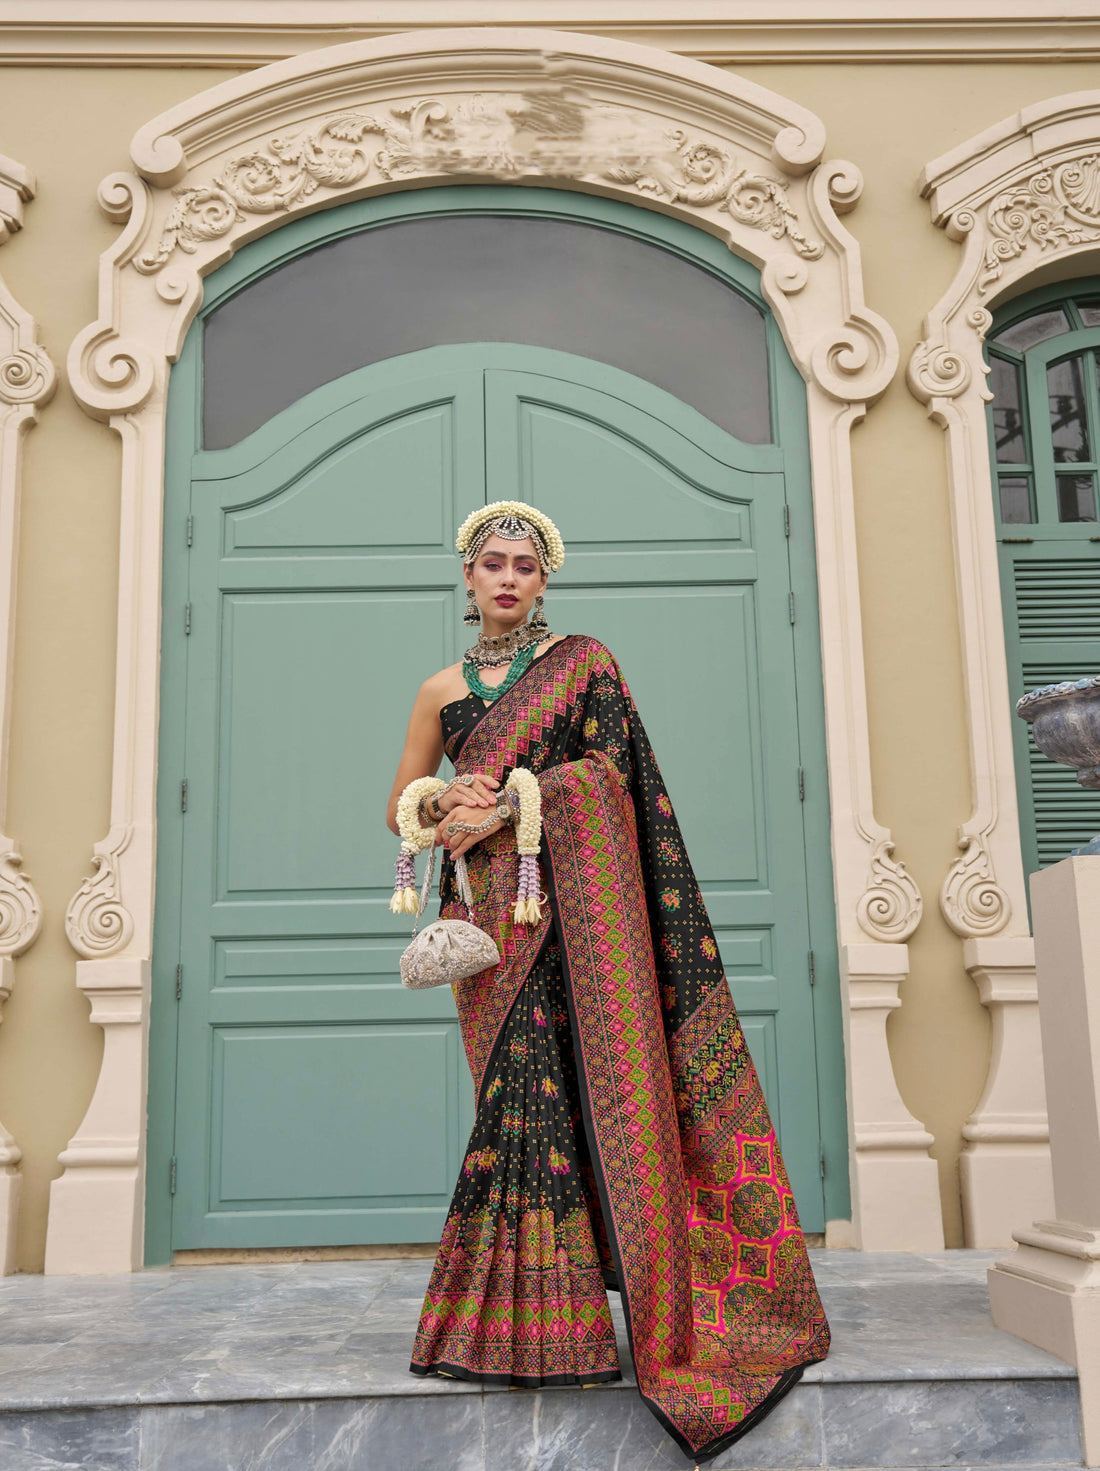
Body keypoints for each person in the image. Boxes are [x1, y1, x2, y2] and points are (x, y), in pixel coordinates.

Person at [386, 500, 830, 1464]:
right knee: (518, 1113)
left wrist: (516, 795)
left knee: (603, 1108)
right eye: (492, 564)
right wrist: (443, 799)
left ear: (545, 581)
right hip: (492, 931)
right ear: (467, 577)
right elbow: (400, 807)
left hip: (587, 918)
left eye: (525, 566)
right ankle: (516, 1328)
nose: (508, 579)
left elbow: (613, 777)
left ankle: (611, 1320)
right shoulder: (437, 691)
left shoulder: (585, 664)